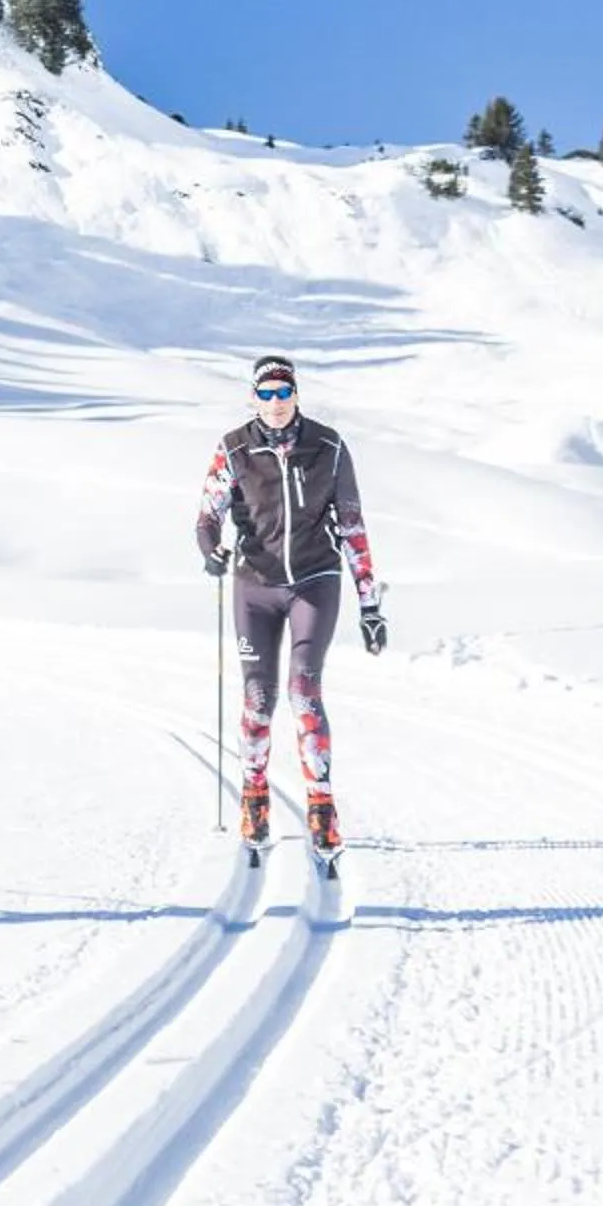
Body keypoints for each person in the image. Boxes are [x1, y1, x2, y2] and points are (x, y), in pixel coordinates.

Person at [193, 355, 385, 857]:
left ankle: (322, 808)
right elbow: (207, 516)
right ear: (254, 398)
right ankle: (254, 796)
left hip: (314, 582)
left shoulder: (329, 447)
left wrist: (370, 606)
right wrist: (210, 550)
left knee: (303, 692)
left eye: (284, 392)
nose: (276, 402)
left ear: (296, 395)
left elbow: (353, 527)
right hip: (254, 585)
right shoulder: (234, 448)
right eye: (267, 394)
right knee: (258, 699)